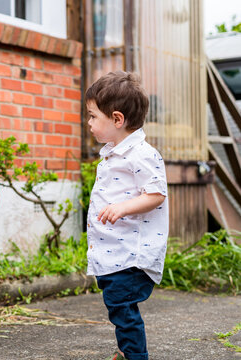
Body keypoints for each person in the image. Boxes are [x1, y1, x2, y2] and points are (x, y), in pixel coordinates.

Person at [85, 71, 168, 360]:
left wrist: (121, 207)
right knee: (117, 306)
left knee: (123, 308)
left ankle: (135, 355)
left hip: (132, 254)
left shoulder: (141, 154)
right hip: (114, 252)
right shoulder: (114, 153)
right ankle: (127, 351)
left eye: (93, 116)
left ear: (117, 119)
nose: (89, 123)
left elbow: (156, 194)